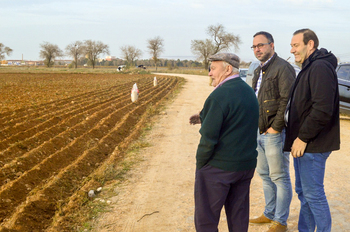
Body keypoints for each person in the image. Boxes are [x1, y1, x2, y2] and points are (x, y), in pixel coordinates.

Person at [189, 53, 259, 232]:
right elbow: (236, 118)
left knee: (206, 219)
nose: (209, 73)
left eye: (213, 68)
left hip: (220, 168)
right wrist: (203, 116)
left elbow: (208, 139)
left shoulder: (219, 95)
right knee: (238, 216)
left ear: (228, 69)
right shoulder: (248, 91)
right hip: (245, 166)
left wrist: (201, 165)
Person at [285, 28, 340, 232]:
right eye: (291, 45)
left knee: (314, 194)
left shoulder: (319, 67)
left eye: (296, 45)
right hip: (304, 144)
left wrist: (303, 137)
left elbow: (322, 109)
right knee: (304, 192)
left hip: (312, 144)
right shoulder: (309, 66)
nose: (292, 50)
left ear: (310, 44)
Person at [249, 31, 295, 232]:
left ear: (272, 45)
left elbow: (287, 101)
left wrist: (275, 128)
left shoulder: (283, 68)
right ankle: (269, 213)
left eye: (261, 45)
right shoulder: (259, 70)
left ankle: (281, 221)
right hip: (259, 132)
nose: (257, 49)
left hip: (275, 133)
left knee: (279, 176)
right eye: (254, 46)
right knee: (265, 174)